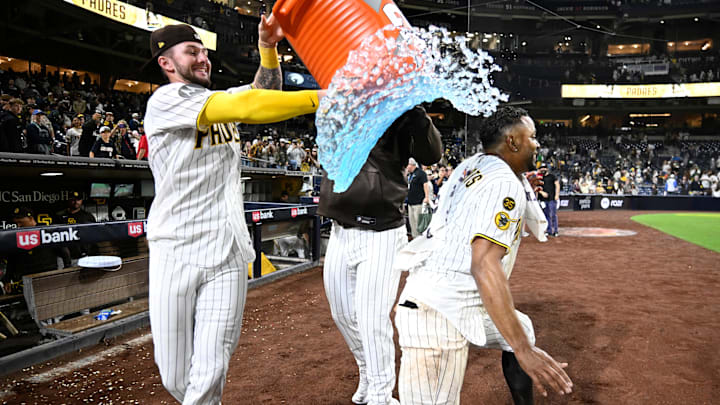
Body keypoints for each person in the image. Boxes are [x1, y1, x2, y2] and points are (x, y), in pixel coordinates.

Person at [143, 20, 322, 404]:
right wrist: (325, 97)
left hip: (227, 251)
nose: (203, 58)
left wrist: (266, 47)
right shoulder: (165, 101)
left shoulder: (218, 101)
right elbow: (250, 105)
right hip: (177, 248)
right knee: (174, 373)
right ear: (166, 63)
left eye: (204, 51)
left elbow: (263, 91)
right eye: (192, 51)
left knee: (211, 368)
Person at [394, 106, 572, 405]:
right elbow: (485, 264)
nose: (537, 144)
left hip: (457, 296)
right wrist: (524, 352)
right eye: (532, 137)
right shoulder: (503, 183)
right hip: (438, 312)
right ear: (513, 142)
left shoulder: (473, 165)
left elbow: (490, 193)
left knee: (521, 329)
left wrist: (524, 185)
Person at [319, 106, 442, 405]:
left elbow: (432, 154)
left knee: (372, 320)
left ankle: (381, 395)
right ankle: (367, 369)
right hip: (340, 231)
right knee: (344, 315)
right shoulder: (339, 101)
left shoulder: (399, 106)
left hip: (382, 234)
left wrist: (416, 112)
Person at [3, 207, 71, 294]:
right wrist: (7, 279)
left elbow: (64, 252)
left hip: (47, 278)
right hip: (26, 280)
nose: (18, 226)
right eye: (16, 223)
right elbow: (12, 259)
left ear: (31, 218)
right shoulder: (16, 236)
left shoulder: (46, 231)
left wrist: (67, 270)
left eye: (20, 222)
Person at [55, 191, 97, 265]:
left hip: (82, 256)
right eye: (73, 199)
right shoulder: (59, 216)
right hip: (62, 257)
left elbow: (94, 236)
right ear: (69, 200)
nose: (76, 202)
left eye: (78, 200)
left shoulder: (87, 216)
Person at [406, 158, 432, 237]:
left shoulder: (421, 173)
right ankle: (414, 238)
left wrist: (427, 197)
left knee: (418, 222)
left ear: (411, 165)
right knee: (412, 222)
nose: (407, 167)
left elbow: (425, 185)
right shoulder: (409, 174)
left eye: (408, 165)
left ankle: (421, 239)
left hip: (418, 202)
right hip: (410, 202)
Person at [538, 163, 560, 237]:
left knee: (553, 215)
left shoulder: (552, 176)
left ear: (547, 169)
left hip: (552, 199)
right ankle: (549, 230)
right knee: (546, 215)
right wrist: (542, 192)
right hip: (543, 200)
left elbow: (557, 185)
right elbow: (536, 188)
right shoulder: (539, 178)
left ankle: (555, 230)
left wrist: (557, 195)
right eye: (541, 168)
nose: (542, 169)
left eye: (544, 168)